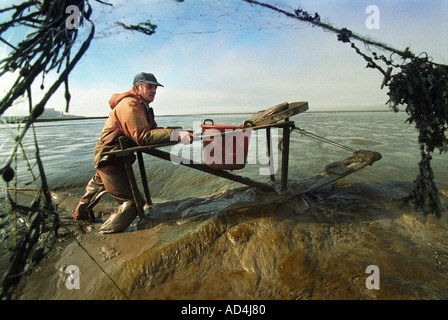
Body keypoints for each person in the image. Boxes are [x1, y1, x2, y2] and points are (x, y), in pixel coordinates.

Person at [73, 72, 193, 233]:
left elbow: (153, 131)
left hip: (117, 157)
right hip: (110, 158)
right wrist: (176, 134)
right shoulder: (130, 105)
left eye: (155, 88)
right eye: (149, 86)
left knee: (96, 187)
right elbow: (143, 136)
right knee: (134, 204)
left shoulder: (143, 106)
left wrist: (180, 131)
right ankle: (102, 234)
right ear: (137, 87)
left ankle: (79, 217)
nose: (153, 91)